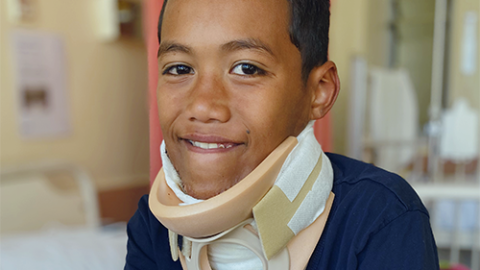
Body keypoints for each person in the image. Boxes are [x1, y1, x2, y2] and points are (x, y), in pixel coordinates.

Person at [125, 0, 439, 269]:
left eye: (247, 69)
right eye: (179, 69)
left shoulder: (381, 221)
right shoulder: (153, 225)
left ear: (318, 91)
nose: (204, 106)